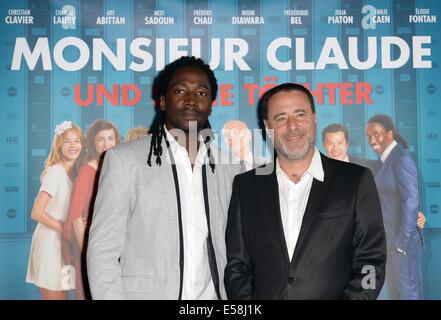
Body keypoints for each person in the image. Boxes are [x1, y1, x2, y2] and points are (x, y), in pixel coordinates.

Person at [86, 56, 239, 299]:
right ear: (163, 101)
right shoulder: (124, 161)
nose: (191, 100)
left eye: (201, 92)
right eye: (180, 90)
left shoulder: (230, 168)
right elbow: (102, 251)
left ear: (211, 104)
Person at [225, 83, 387, 299]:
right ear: (267, 126)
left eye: (300, 114)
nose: (293, 126)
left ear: (315, 118)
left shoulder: (355, 180)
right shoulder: (246, 186)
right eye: (280, 118)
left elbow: (371, 262)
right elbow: (237, 266)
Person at [322, 123, 426, 229]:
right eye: (330, 143)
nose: (335, 149)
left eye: (340, 143)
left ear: (347, 144)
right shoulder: (314, 173)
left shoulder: (370, 167)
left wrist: (416, 214)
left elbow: (396, 191)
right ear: (324, 145)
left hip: (367, 234)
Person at [366, 114, 424, 300]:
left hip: (401, 244)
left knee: (408, 293)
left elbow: (411, 202)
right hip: (389, 242)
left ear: (389, 134)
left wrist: (402, 244)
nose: (371, 139)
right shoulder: (384, 160)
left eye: (376, 134)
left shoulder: (401, 159)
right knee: (396, 293)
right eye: (368, 136)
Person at [26, 121, 84, 300]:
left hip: (64, 243)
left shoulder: (72, 174)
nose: (73, 146)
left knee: (63, 294)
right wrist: (66, 229)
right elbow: (36, 212)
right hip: (51, 243)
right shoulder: (56, 172)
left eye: (77, 141)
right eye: (67, 141)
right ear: (59, 145)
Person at [65, 119, 120, 300]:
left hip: (115, 248)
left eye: (110, 138)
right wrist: (86, 255)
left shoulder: (119, 168)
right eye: (101, 139)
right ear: (93, 143)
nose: (106, 144)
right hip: (91, 246)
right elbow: (75, 217)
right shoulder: (87, 172)